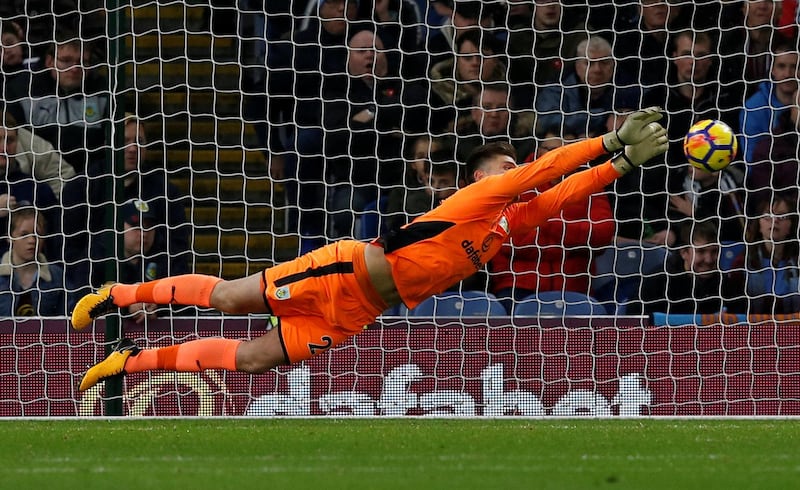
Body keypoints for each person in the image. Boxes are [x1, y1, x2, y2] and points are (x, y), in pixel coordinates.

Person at [71, 108, 668, 391]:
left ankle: (127, 362)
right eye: (507, 165)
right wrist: (609, 139)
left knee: (253, 361)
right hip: (345, 270)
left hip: (358, 311)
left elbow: (564, 192)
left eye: (514, 165)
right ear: (484, 175)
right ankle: (116, 294)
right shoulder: (481, 198)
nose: (516, 171)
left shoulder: (506, 226)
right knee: (230, 298)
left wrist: (617, 166)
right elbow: (553, 167)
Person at [627, 221, 744, 317]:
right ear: (684, 253)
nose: (709, 260)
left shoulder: (725, 284)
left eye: (714, 251)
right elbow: (635, 320)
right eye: (701, 251)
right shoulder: (657, 281)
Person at [535, 35, 640, 138]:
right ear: (577, 65)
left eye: (604, 62)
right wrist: (604, 117)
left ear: (613, 65)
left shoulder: (631, 88)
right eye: (589, 63)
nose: (597, 69)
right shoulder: (557, 88)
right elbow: (548, 120)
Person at [728, 192, 800, 315]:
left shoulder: (797, 262)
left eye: (782, 217)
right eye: (768, 216)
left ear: (792, 226)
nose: (775, 221)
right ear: (759, 224)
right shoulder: (743, 263)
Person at [0, 207, 72, 316]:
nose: (32, 240)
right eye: (24, 234)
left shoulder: (57, 276)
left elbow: (69, 321)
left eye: (37, 234)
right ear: (9, 237)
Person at [739, 39, 799, 163]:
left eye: (794, 67)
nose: (788, 74)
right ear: (772, 70)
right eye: (781, 66)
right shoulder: (753, 108)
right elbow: (752, 162)